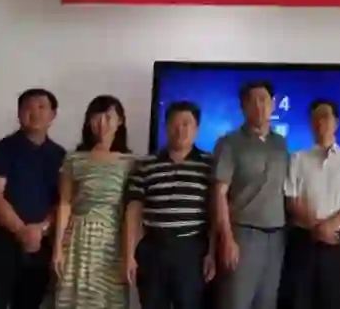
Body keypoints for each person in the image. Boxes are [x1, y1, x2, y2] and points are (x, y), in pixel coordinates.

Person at [0, 88, 67, 309]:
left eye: (41, 107)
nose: (34, 112)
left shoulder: (61, 156)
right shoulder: (2, 149)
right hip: (0, 245)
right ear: (18, 113)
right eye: (28, 107)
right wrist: (22, 230)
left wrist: (42, 229)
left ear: (53, 114)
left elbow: (63, 202)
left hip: (40, 247)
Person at [124, 101, 217, 309]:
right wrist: (129, 255)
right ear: (165, 127)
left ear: (196, 129)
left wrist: (211, 253)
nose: (180, 130)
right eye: (174, 124)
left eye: (186, 124)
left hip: (192, 250)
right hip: (153, 248)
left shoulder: (209, 165)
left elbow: (214, 212)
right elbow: (133, 210)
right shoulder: (146, 164)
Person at [52, 95, 138, 309]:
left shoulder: (130, 163)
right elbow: (65, 204)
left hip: (112, 241)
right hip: (77, 238)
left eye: (108, 117)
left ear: (120, 121)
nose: (102, 123)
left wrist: (129, 253)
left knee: (108, 300)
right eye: (96, 117)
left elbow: (132, 211)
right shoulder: (74, 159)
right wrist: (57, 248)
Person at [278, 99, 340, 309]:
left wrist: (330, 226)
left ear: (337, 122)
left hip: (336, 242)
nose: (320, 122)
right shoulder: (297, 158)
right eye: (315, 118)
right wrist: (317, 227)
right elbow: (291, 200)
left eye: (325, 116)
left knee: (331, 302)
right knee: (297, 301)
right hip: (302, 241)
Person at [213, 80, 291, 309]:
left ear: (273, 104)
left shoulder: (280, 143)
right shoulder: (229, 143)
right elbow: (219, 193)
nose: (259, 106)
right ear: (243, 107)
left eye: (263, 100)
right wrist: (227, 239)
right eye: (252, 101)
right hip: (244, 235)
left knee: (267, 303)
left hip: (277, 236)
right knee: (236, 302)